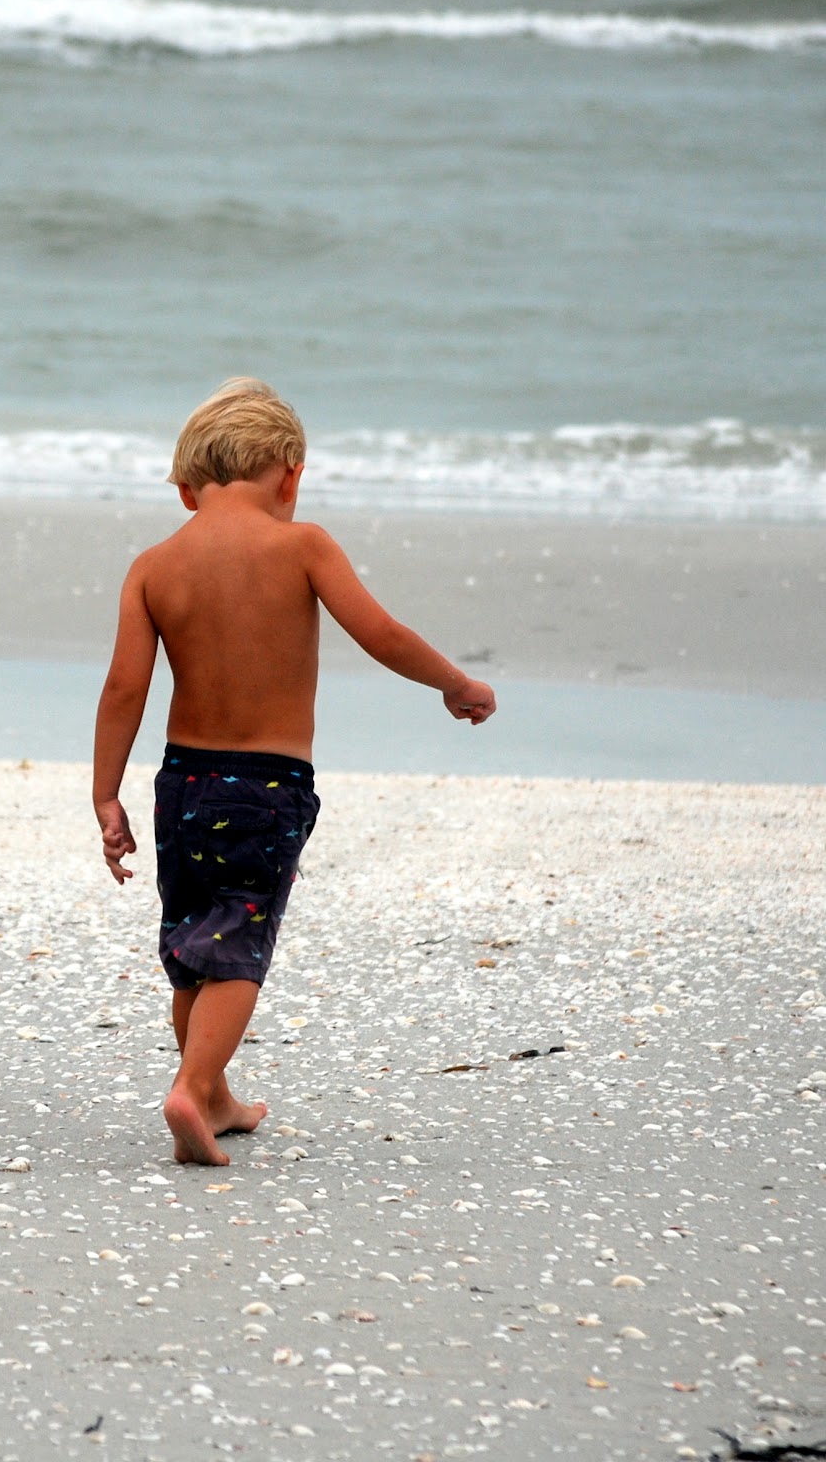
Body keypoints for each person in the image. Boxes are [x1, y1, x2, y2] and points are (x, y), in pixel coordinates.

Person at [93, 378, 495, 1166]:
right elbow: (380, 633)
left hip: (181, 784)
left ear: (186, 489)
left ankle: (213, 1096)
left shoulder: (152, 566)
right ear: (289, 475)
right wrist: (454, 682)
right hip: (266, 787)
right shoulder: (302, 545)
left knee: (192, 940)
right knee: (239, 941)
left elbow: (123, 688)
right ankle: (190, 1088)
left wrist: (105, 792)